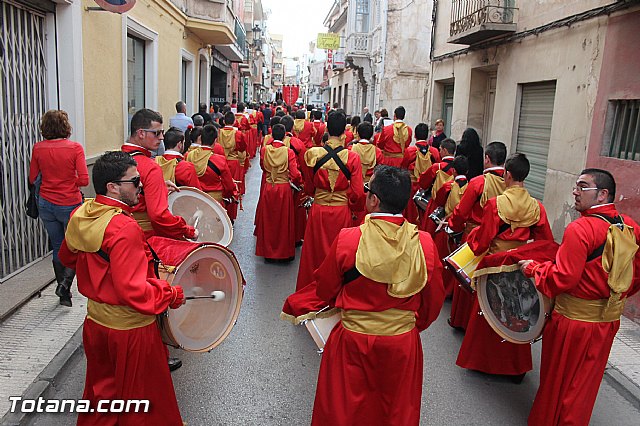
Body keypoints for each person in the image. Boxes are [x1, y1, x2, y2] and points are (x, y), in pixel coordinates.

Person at [311, 165, 445, 426]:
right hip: (400, 341)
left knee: (343, 411)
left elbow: (325, 290)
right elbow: (433, 301)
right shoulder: (425, 243)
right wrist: (411, 325)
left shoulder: (348, 239)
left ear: (373, 199)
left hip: (353, 338)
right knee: (394, 412)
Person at [58, 151, 185, 425]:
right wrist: (170, 293)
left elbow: (67, 257)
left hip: (95, 323)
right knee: (140, 402)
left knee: (102, 396)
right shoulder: (123, 227)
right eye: (135, 181)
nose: (141, 186)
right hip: (130, 329)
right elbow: (133, 291)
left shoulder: (81, 214)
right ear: (112, 187)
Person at [520, 168, 640, 426]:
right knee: (584, 386)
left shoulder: (580, 229)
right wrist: (613, 296)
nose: (575, 191)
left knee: (556, 384)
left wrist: (534, 269)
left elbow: (564, 278)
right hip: (607, 323)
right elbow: (635, 274)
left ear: (602, 194)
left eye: (582, 186)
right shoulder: (630, 227)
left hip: (572, 322)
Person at [455, 153, 554, 381]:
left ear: (507, 175)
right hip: (519, 266)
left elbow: (482, 242)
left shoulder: (495, 204)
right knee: (517, 313)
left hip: (494, 264)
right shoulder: (537, 207)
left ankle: (482, 362)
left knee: (489, 310)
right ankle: (515, 367)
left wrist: (472, 239)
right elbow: (545, 242)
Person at [295, 110, 365, 291]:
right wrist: (355, 209)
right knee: (340, 254)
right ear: (345, 132)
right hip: (341, 211)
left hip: (318, 209)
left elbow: (309, 187)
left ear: (326, 127)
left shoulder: (313, 154)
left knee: (314, 254)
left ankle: (312, 290)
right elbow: (357, 192)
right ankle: (335, 291)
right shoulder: (353, 157)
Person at [29, 109, 89, 307]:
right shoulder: (75, 148)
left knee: (57, 245)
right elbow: (83, 179)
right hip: (69, 203)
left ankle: (64, 295)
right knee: (75, 244)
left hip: (46, 203)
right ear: (66, 126)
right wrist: (68, 178)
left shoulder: (38, 148)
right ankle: (65, 284)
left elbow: (32, 178)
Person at [446, 141, 507, 330]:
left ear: (487, 159)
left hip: (475, 234)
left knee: (467, 278)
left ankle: (462, 320)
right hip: (500, 240)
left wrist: (451, 226)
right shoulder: (511, 183)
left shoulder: (478, 182)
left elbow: (461, 212)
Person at [121, 109, 196, 241]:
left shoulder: (116, 159)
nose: (161, 137)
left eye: (162, 132)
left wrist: (155, 187)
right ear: (141, 133)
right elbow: (158, 215)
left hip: (117, 232)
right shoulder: (150, 167)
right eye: (157, 133)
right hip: (143, 237)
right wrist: (187, 230)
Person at [255, 124, 303, 261]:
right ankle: (283, 253)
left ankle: (268, 252)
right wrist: (297, 183)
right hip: (283, 188)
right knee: (283, 221)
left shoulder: (264, 150)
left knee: (269, 220)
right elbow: (295, 174)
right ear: (284, 136)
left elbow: (263, 167)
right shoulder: (289, 152)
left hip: (269, 186)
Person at [186, 124, 237, 205]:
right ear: (215, 140)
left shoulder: (189, 155)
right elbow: (229, 186)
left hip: (195, 197)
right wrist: (231, 194)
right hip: (215, 201)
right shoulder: (219, 160)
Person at [401, 123, 441, 225]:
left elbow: (403, 168)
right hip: (428, 188)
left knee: (411, 214)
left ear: (415, 135)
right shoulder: (434, 151)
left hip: (412, 186)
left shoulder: (410, 151)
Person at [418, 138, 457, 231]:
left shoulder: (437, 167)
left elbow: (423, 182)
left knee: (430, 231)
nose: (439, 151)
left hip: (436, 203)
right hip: (453, 205)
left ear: (445, 150)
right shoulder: (458, 166)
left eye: (440, 149)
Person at [281, 115, 308, 245]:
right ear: (292, 127)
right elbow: (303, 164)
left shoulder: (269, 144)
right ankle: (296, 237)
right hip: (295, 180)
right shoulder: (297, 143)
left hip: (277, 182)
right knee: (296, 210)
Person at [349, 121, 383, 225]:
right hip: (370, 188)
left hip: (353, 187)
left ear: (358, 134)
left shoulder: (350, 149)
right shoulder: (377, 151)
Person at [217, 112, 248, 221]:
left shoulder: (219, 132)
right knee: (233, 187)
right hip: (234, 162)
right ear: (234, 121)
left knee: (222, 187)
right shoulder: (238, 134)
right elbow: (243, 147)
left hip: (220, 161)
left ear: (224, 121)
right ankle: (231, 215)